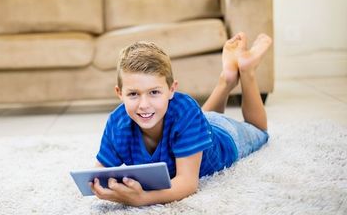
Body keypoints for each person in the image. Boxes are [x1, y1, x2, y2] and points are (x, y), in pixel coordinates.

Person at [89, 32, 273, 206]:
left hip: (225, 135)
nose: (143, 104)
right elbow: (97, 174)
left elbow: (187, 183)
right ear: (119, 93)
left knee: (259, 130)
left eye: (154, 92)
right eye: (133, 94)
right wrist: (101, 186)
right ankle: (227, 79)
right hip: (198, 124)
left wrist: (142, 199)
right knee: (194, 119)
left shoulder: (185, 111)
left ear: (171, 89)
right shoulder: (117, 123)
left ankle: (247, 70)